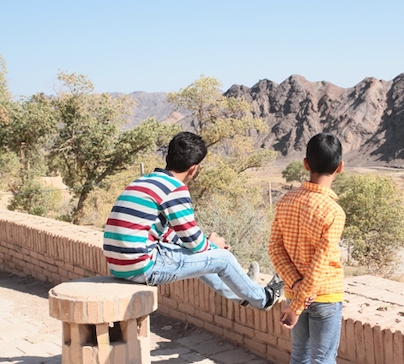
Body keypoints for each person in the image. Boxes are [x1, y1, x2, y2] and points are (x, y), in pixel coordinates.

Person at [103, 131, 282, 310]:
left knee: (200, 257)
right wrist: (213, 246)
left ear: (167, 158)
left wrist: (206, 247)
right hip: (142, 267)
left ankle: (243, 293)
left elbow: (165, 233)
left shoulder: (142, 181)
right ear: (193, 169)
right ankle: (265, 298)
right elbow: (195, 243)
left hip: (118, 265)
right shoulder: (174, 188)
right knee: (224, 258)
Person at [268, 132, 346, 364]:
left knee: (299, 356)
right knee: (323, 359)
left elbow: (275, 249)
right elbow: (320, 263)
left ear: (305, 164)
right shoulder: (333, 212)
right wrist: (298, 304)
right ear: (340, 167)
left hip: (294, 293)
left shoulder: (286, 201)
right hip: (325, 295)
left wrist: (296, 287)